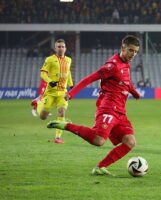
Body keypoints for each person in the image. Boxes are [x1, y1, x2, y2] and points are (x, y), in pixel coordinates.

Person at [47, 35, 141, 176]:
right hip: (108, 108)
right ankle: (65, 125)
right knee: (98, 140)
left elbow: (126, 82)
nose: (133, 54)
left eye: (135, 51)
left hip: (120, 111)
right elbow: (89, 78)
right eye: (130, 50)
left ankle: (100, 167)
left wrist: (134, 93)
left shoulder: (126, 63)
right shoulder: (112, 66)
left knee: (130, 141)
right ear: (122, 48)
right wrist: (71, 93)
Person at [34, 39, 73, 144]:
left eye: (62, 46)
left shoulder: (69, 60)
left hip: (62, 93)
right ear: (55, 48)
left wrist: (71, 84)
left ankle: (57, 138)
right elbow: (43, 73)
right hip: (50, 92)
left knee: (61, 112)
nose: (61, 48)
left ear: (65, 48)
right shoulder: (50, 59)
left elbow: (68, 73)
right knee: (43, 117)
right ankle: (37, 103)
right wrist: (49, 81)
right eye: (59, 47)